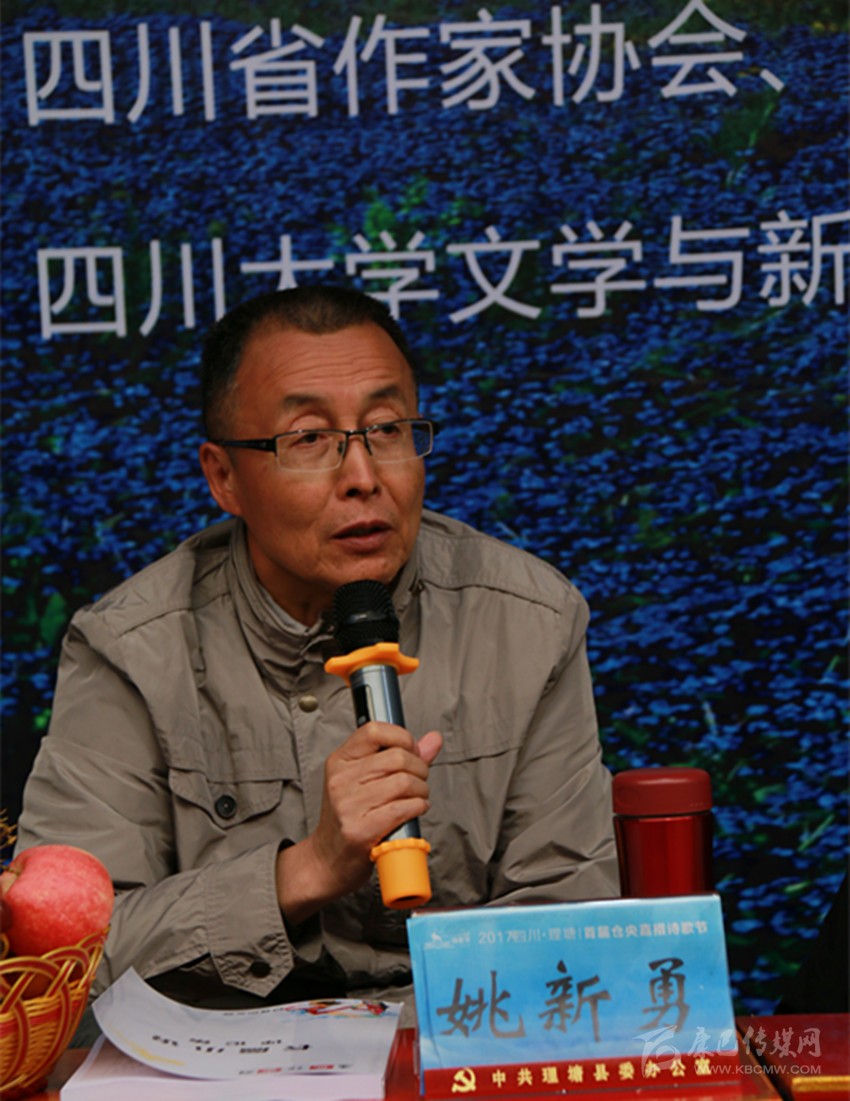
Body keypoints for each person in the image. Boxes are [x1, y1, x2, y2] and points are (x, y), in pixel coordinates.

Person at [15, 285, 618, 1023]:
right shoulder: (131, 649)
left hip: (449, 1052)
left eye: (387, 429)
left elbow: (573, 926)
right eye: (308, 439)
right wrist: (305, 870)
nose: (363, 477)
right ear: (223, 477)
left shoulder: (529, 621)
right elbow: (65, 961)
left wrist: (396, 1046)